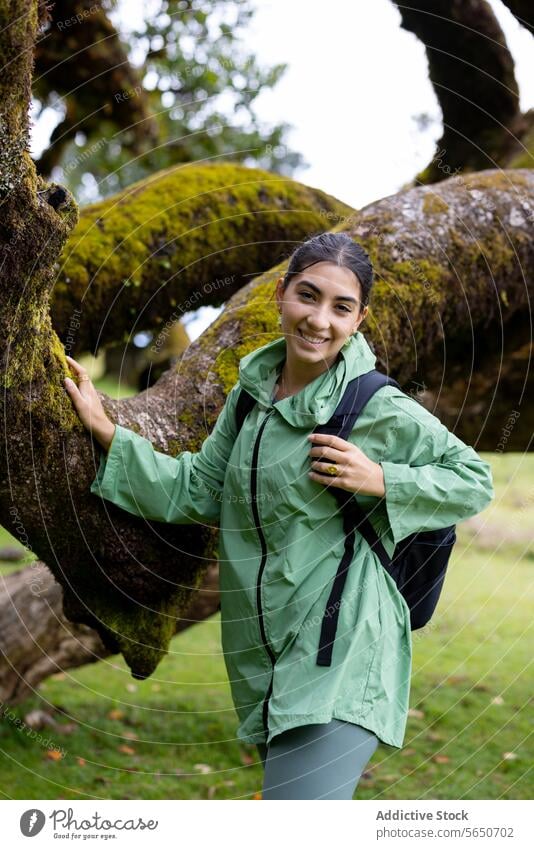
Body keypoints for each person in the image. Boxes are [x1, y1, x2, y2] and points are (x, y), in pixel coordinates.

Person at [64, 232, 494, 800]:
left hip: (342, 657)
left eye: (341, 307)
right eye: (308, 296)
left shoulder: (375, 406)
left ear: (359, 320)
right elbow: (196, 487)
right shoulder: (250, 399)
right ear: (280, 296)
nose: (320, 320)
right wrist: (107, 433)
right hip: (267, 663)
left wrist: (380, 478)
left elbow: (472, 479)